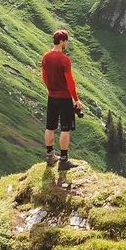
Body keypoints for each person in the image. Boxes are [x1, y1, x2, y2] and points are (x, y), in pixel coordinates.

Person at [41, 28, 81, 171]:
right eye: (66, 42)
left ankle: (50, 156)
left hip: (51, 96)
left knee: (50, 127)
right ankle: (63, 160)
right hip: (64, 98)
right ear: (62, 41)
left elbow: (44, 77)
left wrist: (50, 89)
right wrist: (76, 100)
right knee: (65, 128)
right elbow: (70, 82)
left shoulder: (46, 57)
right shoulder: (65, 60)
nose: (67, 44)